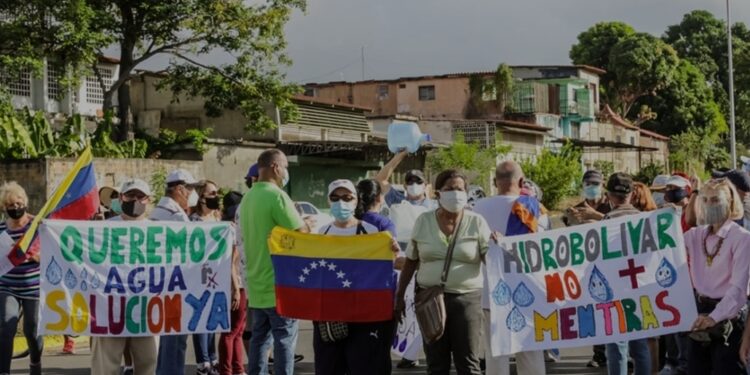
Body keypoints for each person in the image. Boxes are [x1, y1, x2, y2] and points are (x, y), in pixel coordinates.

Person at [396, 169, 491, 375]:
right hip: (429, 299)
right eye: (449, 189)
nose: (455, 193)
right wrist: (400, 295)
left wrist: (498, 245)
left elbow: (490, 259)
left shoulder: (477, 222)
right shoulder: (424, 221)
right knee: (436, 364)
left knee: (468, 363)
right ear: (438, 193)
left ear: (466, 193)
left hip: (466, 301)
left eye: (459, 189)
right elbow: (411, 261)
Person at [239, 149, 313, 375]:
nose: (286, 173)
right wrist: (308, 224)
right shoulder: (277, 196)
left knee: (259, 340)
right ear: (275, 167)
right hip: (279, 284)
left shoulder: (248, 197)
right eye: (286, 168)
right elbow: (300, 231)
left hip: (256, 283)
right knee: (284, 340)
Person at [313, 179, 397, 375]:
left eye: (346, 197)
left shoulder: (371, 232)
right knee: (330, 367)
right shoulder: (321, 233)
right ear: (328, 200)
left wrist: (392, 253)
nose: (340, 202)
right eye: (335, 197)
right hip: (331, 313)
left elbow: (384, 269)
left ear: (355, 200)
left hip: (364, 314)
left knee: (365, 365)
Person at [472, 161, 548, 375]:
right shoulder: (534, 209)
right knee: (530, 352)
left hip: (491, 292)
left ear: (495, 182)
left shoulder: (477, 209)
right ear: (522, 182)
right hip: (529, 290)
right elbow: (544, 250)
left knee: (496, 354)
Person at [91, 179, 158, 375]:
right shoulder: (103, 228)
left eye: (140, 197)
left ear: (148, 200)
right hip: (108, 308)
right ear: (121, 198)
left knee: (149, 364)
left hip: (146, 309)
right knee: (105, 366)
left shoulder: (159, 231)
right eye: (130, 196)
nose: (135, 200)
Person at [685, 179, 750, 374]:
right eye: (705, 200)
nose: (709, 205)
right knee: (696, 370)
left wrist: (714, 317)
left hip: (729, 315)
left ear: (729, 202)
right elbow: (664, 245)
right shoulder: (695, 235)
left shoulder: (742, 238)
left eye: (715, 200)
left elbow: (738, 288)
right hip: (699, 312)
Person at [601, 173, 651, 375]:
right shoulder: (645, 220)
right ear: (631, 194)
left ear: (609, 196)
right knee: (640, 345)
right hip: (641, 289)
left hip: (615, 290)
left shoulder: (605, 222)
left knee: (616, 346)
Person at [153, 169, 200, 375]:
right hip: (174, 284)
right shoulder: (174, 216)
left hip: (166, 283)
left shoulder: (161, 211)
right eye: (190, 189)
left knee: (169, 341)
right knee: (175, 340)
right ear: (180, 189)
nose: (192, 193)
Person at [562, 170, 610, 368]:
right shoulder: (577, 209)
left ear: (602, 184)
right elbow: (569, 239)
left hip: (612, 264)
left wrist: (597, 216)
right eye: (588, 183)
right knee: (595, 309)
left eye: (595, 183)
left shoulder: (610, 205)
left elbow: (619, 224)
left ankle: (621, 353)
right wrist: (571, 220)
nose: (592, 186)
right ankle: (599, 354)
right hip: (588, 267)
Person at [0, 182, 43, 375]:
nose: (15, 208)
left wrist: (30, 254)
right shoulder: (1, 228)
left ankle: (35, 362)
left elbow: (49, 255)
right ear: (4, 207)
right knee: (6, 327)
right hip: (7, 285)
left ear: (25, 202)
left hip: (34, 286)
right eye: (10, 205)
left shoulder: (37, 225)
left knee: (32, 332)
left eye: (18, 203)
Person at [190, 180, 222, 375]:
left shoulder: (217, 220)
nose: (215, 196)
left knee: (212, 319)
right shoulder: (193, 222)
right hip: (198, 277)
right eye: (212, 193)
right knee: (200, 318)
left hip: (216, 276)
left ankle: (212, 357)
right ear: (201, 198)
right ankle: (203, 363)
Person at [219, 191, 247, 375]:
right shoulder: (231, 229)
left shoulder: (229, 227)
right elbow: (230, 261)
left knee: (237, 331)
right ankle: (227, 370)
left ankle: (237, 369)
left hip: (239, 283)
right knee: (231, 331)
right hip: (236, 285)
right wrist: (236, 289)